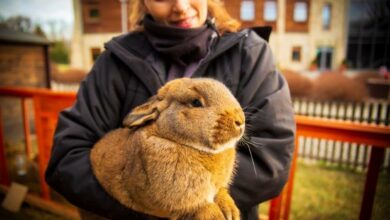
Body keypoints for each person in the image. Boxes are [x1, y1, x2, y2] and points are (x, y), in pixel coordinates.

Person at [45, 0, 296, 219]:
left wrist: (204, 199)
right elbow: (67, 159)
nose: (181, 6)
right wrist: (156, 204)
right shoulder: (115, 61)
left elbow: (271, 159)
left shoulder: (249, 53)